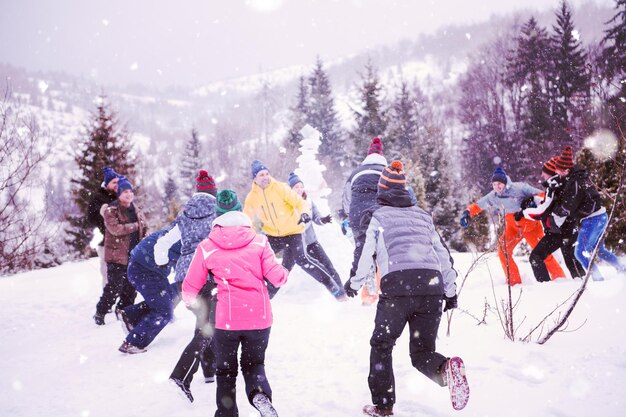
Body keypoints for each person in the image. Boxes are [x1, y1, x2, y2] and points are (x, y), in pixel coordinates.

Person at [343, 161, 469, 416]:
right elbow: (443, 256)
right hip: (432, 289)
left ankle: (383, 406)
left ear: (382, 191)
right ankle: (446, 369)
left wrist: (353, 284)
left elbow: (365, 256)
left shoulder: (376, 216)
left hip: (397, 290)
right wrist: (451, 291)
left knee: (382, 345)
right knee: (422, 351)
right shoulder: (423, 215)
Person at [182, 189, 288, 417]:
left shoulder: (207, 247)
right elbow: (277, 277)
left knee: (226, 371)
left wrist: (189, 302)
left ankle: (227, 414)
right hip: (259, 318)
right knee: (254, 364)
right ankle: (260, 395)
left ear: (217, 216)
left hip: (226, 321)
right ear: (240, 211)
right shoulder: (260, 243)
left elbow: (190, 286)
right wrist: (284, 270)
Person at [157, 170, 219, 400]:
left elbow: (163, 243)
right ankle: (183, 374)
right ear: (213, 191)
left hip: (185, 277)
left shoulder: (184, 214)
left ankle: (209, 370)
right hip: (208, 274)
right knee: (211, 322)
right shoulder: (218, 212)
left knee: (204, 320)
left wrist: (164, 262)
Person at [244, 160, 342, 299]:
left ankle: (332, 285)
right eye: (261, 175)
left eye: (267, 173)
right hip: (273, 235)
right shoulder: (251, 198)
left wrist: (304, 213)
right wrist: (249, 236)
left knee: (302, 259)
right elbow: (248, 221)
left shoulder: (280, 188)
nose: (265, 177)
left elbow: (299, 202)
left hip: (293, 231)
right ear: (254, 178)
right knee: (260, 260)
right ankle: (263, 295)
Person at [459, 166, 565, 286]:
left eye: (499, 183)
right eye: (494, 184)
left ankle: (559, 278)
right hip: (512, 228)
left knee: (542, 254)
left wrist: (533, 202)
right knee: (503, 251)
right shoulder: (494, 196)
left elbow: (542, 195)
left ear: (505, 182)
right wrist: (467, 212)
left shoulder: (520, 188)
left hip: (531, 228)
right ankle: (514, 282)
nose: (497, 187)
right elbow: (480, 204)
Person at [549, 146, 626, 281]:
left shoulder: (575, 183)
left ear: (567, 170)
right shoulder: (577, 177)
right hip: (601, 216)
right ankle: (622, 268)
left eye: (558, 170)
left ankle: (598, 280)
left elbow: (567, 207)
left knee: (580, 253)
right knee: (599, 250)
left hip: (592, 219)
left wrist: (553, 210)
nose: (556, 172)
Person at [515, 157, 585, 282]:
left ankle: (547, 288)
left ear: (552, 173)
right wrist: (534, 200)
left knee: (537, 257)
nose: (542, 175)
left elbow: (543, 211)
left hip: (562, 232)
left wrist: (523, 213)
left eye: (544, 172)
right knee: (572, 263)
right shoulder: (558, 185)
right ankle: (584, 285)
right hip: (564, 231)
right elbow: (549, 204)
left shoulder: (555, 187)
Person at [117, 223, 182, 354]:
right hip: (145, 271)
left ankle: (131, 315)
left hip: (143, 267)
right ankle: (133, 342)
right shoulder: (193, 234)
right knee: (164, 310)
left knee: (170, 294)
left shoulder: (184, 224)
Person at [94, 177, 147, 325]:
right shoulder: (111, 210)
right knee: (114, 287)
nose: (128, 195)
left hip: (133, 256)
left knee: (131, 288)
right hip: (117, 256)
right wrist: (136, 226)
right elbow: (115, 229)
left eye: (130, 191)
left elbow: (145, 228)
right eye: (125, 192)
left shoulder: (136, 210)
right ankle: (101, 311)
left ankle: (124, 312)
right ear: (119, 194)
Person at [340, 137, 387, 304]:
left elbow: (346, 198)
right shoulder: (387, 172)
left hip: (358, 214)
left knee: (363, 247)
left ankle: (367, 293)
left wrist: (347, 214)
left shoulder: (356, 173)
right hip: (381, 214)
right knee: (384, 250)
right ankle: (387, 291)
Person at [287, 171, 346, 300]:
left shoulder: (308, 201)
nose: (300, 189)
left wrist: (322, 220)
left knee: (328, 265)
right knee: (285, 269)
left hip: (311, 241)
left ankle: (341, 293)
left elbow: (316, 217)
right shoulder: (288, 204)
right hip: (295, 244)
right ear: (291, 189)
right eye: (296, 187)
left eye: (301, 186)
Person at [87, 166, 120, 287]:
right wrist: (105, 223)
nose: (117, 184)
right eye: (114, 182)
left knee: (121, 273)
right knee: (107, 273)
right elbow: (91, 218)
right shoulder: (98, 198)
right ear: (107, 184)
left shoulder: (119, 195)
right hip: (105, 241)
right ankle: (108, 301)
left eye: (118, 182)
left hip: (120, 241)